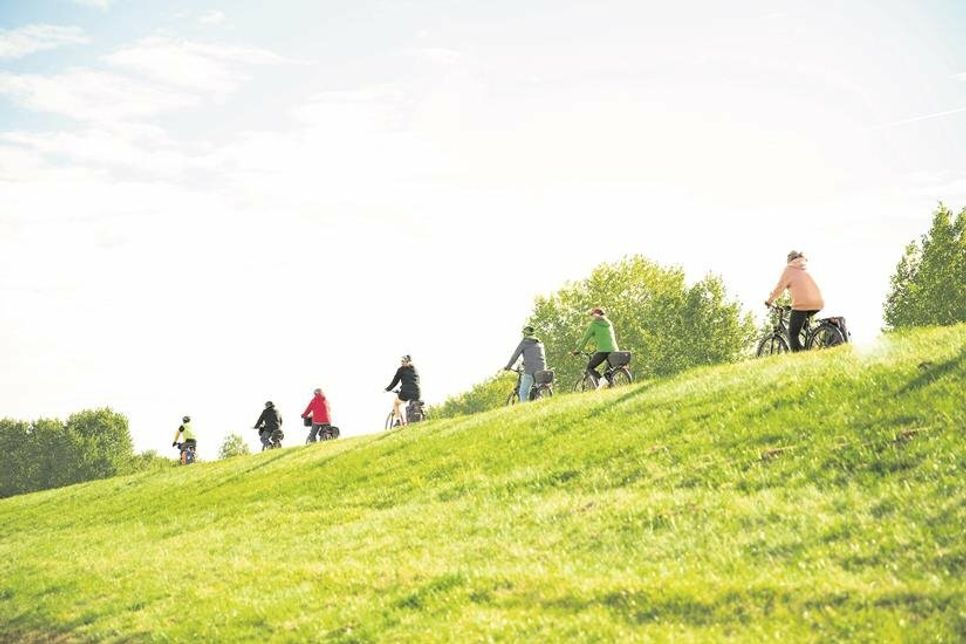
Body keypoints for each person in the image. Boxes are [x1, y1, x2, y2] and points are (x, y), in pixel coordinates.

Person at [765, 250, 825, 352]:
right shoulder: (805, 266)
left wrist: (770, 301)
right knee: (803, 325)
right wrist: (790, 305)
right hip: (818, 302)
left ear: (790, 259)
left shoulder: (789, 268)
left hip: (803, 304)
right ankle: (814, 341)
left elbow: (779, 287)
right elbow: (802, 289)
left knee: (792, 334)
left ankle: (801, 356)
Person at [572, 307, 619, 386]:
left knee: (590, 367)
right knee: (608, 371)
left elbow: (585, 339)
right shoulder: (609, 323)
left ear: (595, 315)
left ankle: (601, 380)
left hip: (604, 350)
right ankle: (608, 383)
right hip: (615, 350)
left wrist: (577, 350)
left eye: (592, 315)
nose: (592, 317)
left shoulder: (594, 324)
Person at [504, 325, 547, 403]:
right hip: (542, 369)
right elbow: (535, 356)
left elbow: (515, 356)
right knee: (536, 388)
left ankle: (524, 408)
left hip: (531, 370)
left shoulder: (524, 342)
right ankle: (538, 398)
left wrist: (508, 367)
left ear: (525, 334)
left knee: (523, 392)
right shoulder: (539, 343)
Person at [385, 355, 421, 425]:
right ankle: (406, 421)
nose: (402, 363)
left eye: (403, 361)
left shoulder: (401, 369)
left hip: (406, 392)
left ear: (406, 361)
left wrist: (387, 389)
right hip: (417, 392)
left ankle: (398, 421)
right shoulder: (415, 369)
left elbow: (395, 381)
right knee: (409, 404)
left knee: (396, 403)